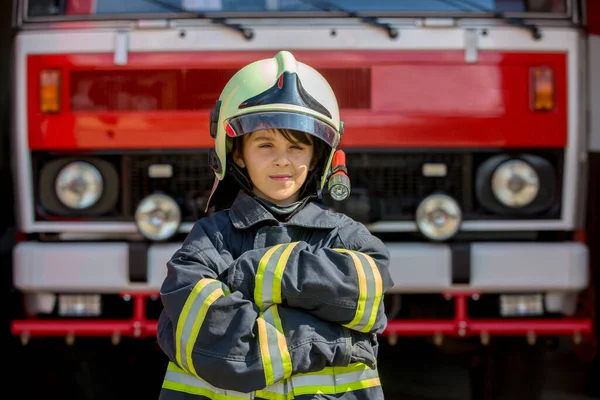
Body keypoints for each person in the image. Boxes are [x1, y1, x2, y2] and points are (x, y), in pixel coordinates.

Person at [156, 50, 395, 399]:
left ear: (318, 158)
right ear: (237, 153)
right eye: (265, 144)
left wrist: (248, 277)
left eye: (297, 147)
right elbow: (220, 351)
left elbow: (369, 296)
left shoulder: (348, 237)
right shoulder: (208, 239)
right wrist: (332, 338)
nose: (282, 159)